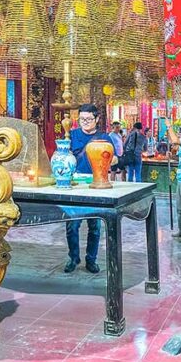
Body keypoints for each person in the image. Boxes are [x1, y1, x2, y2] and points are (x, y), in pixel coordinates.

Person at [64, 104, 114, 273]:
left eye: (89, 119)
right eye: (82, 119)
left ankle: (91, 260)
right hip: (76, 185)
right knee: (72, 225)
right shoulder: (71, 135)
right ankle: (73, 257)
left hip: (96, 185)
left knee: (94, 226)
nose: (85, 122)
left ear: (97, 119)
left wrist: (110, 161)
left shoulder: (104, 137)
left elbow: (113, 159)